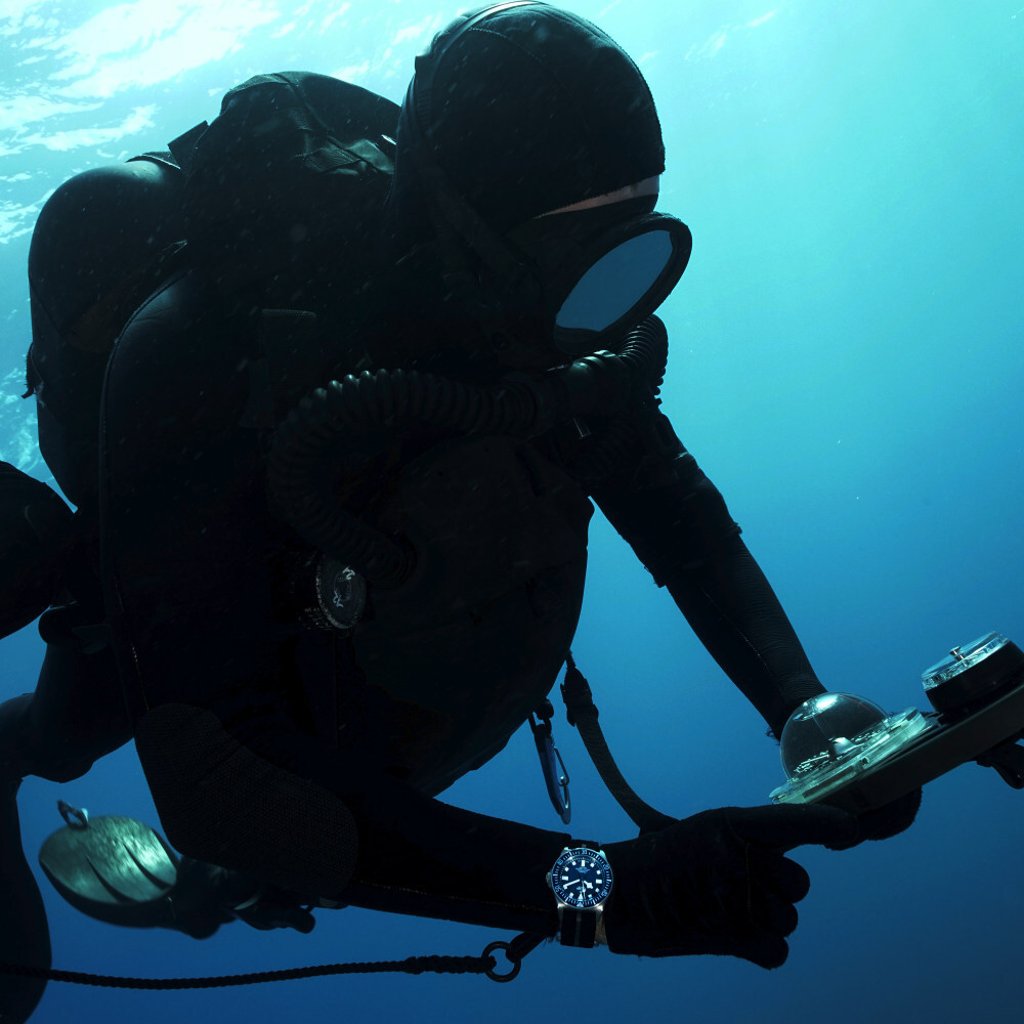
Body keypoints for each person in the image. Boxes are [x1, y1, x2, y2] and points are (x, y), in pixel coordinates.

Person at [0, 3, 917, 1020]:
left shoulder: (556, 328)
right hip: (232, 656)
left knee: (294, 848)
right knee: (90, 733)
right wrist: (607, 890)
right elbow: (219, 784)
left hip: (380, 701)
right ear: (465, 224)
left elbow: (669, 502)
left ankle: (237, 885)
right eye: (579, 256)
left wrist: (805, 709)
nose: (610, 312)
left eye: (634, 244)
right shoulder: (203, 353)